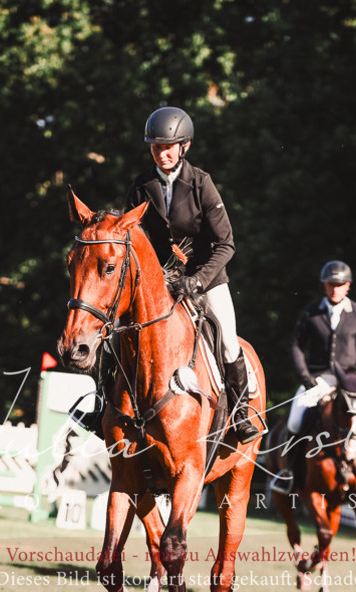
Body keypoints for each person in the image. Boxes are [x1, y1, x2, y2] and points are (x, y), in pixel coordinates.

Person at [105, 105, 257, 444]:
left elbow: (226, 243)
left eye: (168, 147)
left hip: (207, 279)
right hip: (160, 282)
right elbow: (135, 240)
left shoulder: (201, 183)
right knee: (116, 337)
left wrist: (199, 279)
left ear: (183, 147)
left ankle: (241, 412)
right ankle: (103, 405)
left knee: (228, 341)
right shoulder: (141, 187)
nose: (162, 153)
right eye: (156, 147)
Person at [279, 261, 356, 489]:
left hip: (351, 381)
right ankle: (289, 474)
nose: (334, 289)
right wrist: (305, 376)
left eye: (339, 285)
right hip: (319, 378)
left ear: (347, 286)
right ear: (324, 286)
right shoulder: (311, 312)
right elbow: (296, 345)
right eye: (330, 284)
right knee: (296, 419)